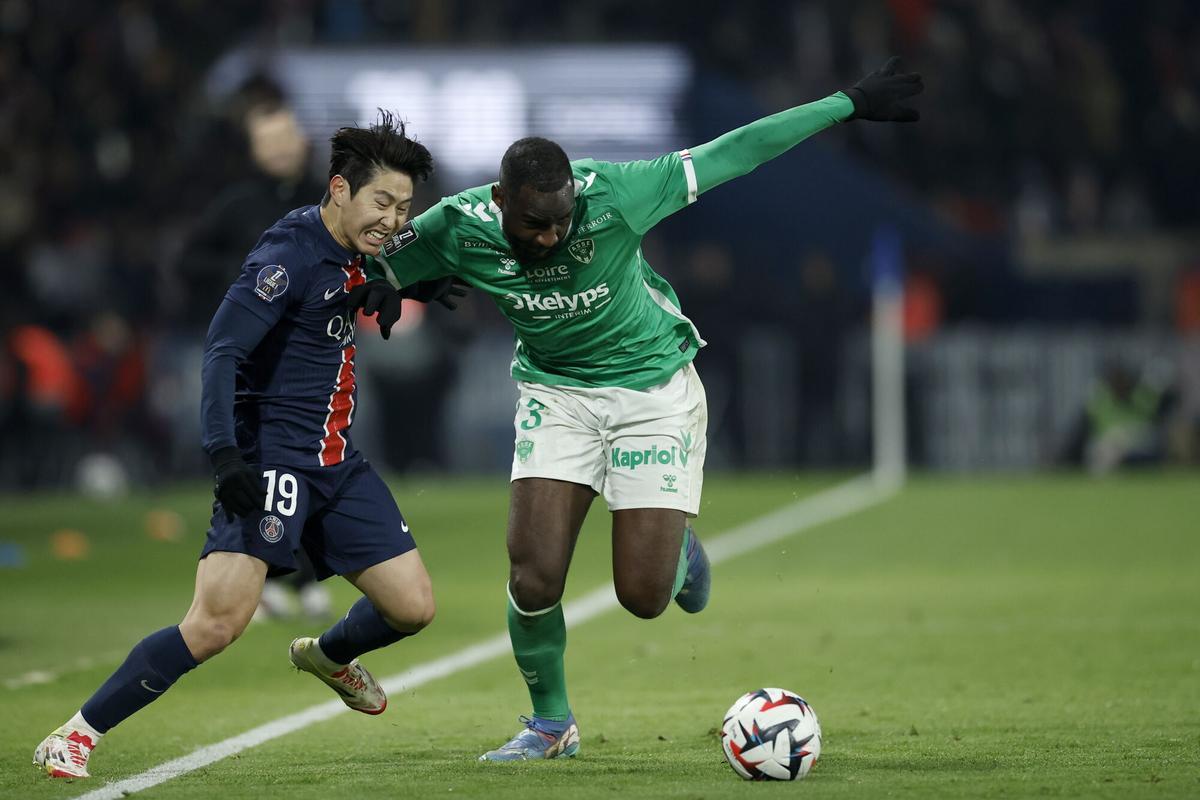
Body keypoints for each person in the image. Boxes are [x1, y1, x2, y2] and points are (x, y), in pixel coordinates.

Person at [354, 59, 923, 761]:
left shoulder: (617, 193)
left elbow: (734, 151)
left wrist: (844, 103)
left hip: (650, 390)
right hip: (555, 393)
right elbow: (365, 256)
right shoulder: (457, 224)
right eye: (534, 224)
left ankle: (676, 554)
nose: (551, 237)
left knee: (644, 596)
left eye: (562, 222)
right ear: (501, 199)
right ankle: (550, 724)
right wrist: (376, 282)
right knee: (533, 572)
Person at [34, 112, 447, 779]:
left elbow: (403, 262)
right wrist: (225, 456)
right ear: (340, 190)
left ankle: (328, 655)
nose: (395, 220)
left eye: (403, 207)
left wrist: (400, 284)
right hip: (273, 462)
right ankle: (76, 733)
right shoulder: (286, 255)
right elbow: (222, 351)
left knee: (413, 606)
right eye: (383, 203)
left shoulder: (361, 245)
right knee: (216, 625)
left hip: (337, 463)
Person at [179, 77, 334, 621]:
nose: (280, 148)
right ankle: (261, 570)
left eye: (285, 136)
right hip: (254, 360)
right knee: (256, 460)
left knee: (314, 460)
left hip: (312, 356)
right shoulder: (238, 205)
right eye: (268, 140)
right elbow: (186, 261)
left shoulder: (327, 197)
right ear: (254, 149)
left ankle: (304, 570)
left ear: (301, 139)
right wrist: (243, 282)